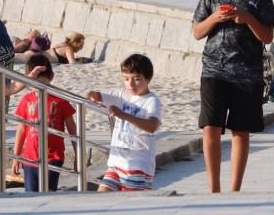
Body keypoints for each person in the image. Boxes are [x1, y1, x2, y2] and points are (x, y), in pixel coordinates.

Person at [191, 0, 274, 193]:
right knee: (210, 127)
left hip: (248, 72)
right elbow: (197, 32)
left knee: (241, 131)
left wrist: (248, 18)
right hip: (213, 69)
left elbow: (268, 36)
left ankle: (235, 189)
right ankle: (213, 189)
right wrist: (214, 19)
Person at [86, 54, 162, 192]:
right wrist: (91, 95)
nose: (131, 84)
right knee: (101, 196)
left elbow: (152, 126)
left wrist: (123, 115)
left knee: (130, 204)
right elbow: (100, 96)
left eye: (137, 79)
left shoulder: (151, 101)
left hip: (138, 165)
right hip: (116, 163)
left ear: (148, 78)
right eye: (126, 79)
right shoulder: (122, 94)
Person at [12, 54, 79, 192]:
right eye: (34, 83)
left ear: (51, 78)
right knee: (30, 193)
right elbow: (21, 130)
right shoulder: (27, 99)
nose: (38, 88)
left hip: (53, 156)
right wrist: (16, 156)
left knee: (48, 192)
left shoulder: (60, 101)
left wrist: (78, 155)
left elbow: (72, 129)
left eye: (42, 83)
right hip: (29, 157)